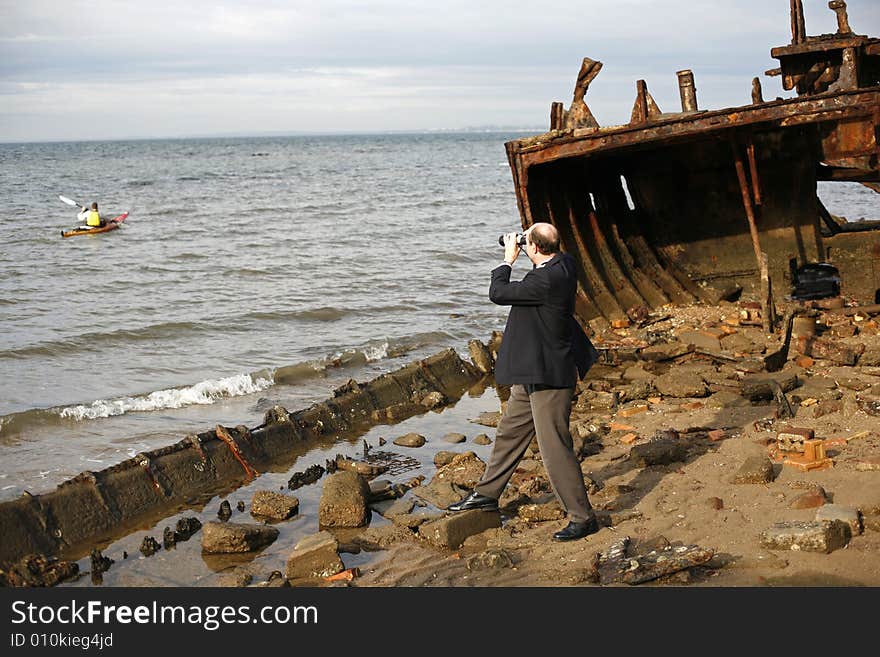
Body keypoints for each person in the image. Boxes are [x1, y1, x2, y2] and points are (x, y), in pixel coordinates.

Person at [448, 222, 601, 541]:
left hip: (549, 377)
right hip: (533, 370)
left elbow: (499, 292)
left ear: (533, 248)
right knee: (509, 433)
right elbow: (544, 248)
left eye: (525, 239)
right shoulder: (564, 263)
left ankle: (583, 517)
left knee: (555, 449)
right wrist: (527, 242)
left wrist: (507, 258)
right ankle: (487, 494)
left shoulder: (544, 279)